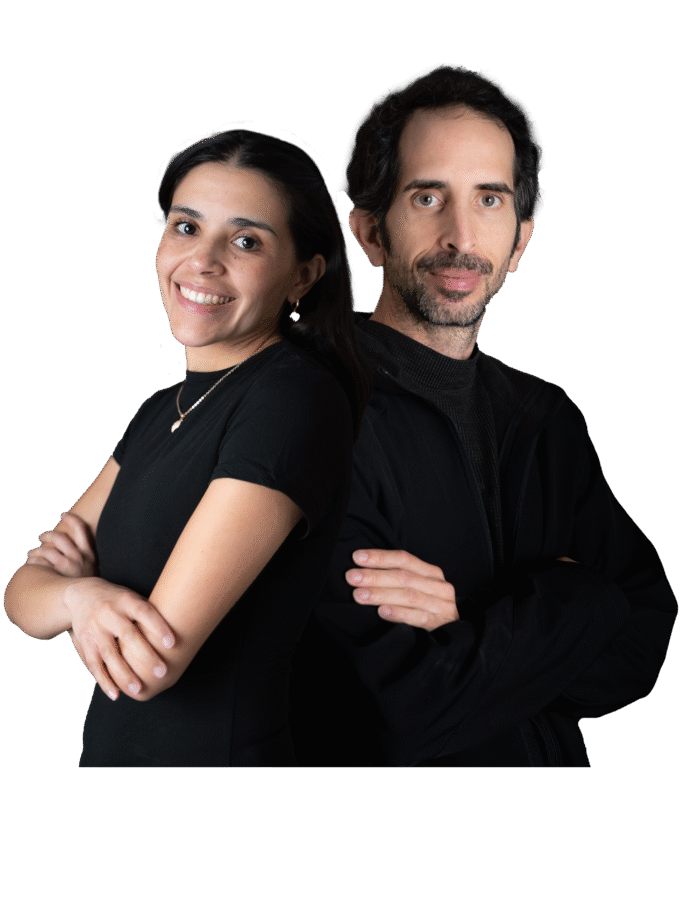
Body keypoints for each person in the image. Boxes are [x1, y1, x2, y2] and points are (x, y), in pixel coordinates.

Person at [288, 64, 679, 767]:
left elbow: (644, 642)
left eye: (490, 199)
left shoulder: (545, 418)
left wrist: (467, 613)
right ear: (371, 233)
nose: (461, 236)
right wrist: (580, 598)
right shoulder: (312, 407)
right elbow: (394, 710)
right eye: (428, 197)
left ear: (521, 240)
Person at [5, 127, 370, 767]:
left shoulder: (292, 401)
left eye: (246, 240)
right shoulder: (158, 411)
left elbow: (149, 663)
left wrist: (76, 589)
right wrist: (78, 598)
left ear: (303, 275)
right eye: (185, 227)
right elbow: (21, 598)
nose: (202, 260)